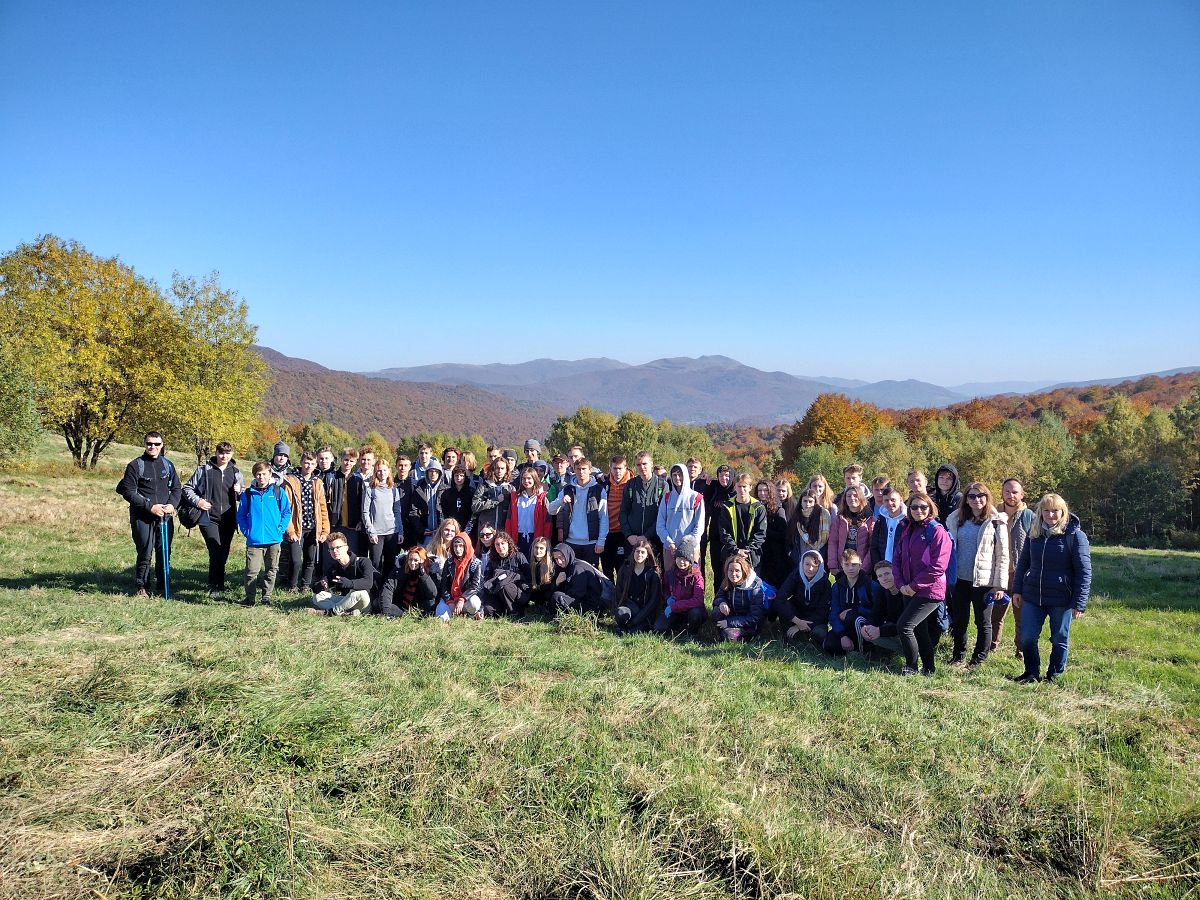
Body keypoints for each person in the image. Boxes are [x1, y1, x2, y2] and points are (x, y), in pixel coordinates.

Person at [1011, 494, 1092, 684]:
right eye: (1046, 510)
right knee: (1027, 637)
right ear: (1040, 512)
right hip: (1033, 596)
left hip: (1061, 599)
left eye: (1055, 510)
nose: (1050, 514)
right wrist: (1017, 590)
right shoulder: (1035, 532)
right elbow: (1023, 563)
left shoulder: (1074, 535)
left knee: (1059, 638)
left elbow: (1084, 571)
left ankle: (1054, 675)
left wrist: (1079, 602)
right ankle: (1031, 672)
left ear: (1063, 511)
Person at [945, 482, 1010, 668]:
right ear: (966, 499)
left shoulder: (996, 522)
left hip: (984, 581)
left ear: (987, 497)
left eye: (980, 495)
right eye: (972, 496)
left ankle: (978, 658)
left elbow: (1002, 555)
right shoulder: (956, 519)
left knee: (983, 622)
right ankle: (958, 656)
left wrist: (999, 585)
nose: (976, 500)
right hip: (959, 580)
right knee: (959, 621)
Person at [892, 492, 952, 676]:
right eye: (914, 507)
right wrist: (901, 584)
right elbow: (897, 558)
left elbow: (938, 566)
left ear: (930, 508)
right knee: (919, 629)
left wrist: (913, 586)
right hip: (908, 588)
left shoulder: (937, 531)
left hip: (930, 591)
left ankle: (911, 666)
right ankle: (929, 668)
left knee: (905, 626)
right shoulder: (906, 528)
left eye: (923, 507)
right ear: (909, 509)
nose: (919, 510)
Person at [117, 431, 182, 597]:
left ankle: (162, 587)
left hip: (164, 517)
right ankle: (142, 587)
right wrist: (150, 507)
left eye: (157, 444)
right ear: (144, 444)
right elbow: (128, 492)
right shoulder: (135, 465)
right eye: (149, 444)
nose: (153, 447)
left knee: (163, 553)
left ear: (162, 445)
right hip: (142, 516)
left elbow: (176, 489)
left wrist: (172, 505)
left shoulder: (168, 465)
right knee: (145, 552)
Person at [181, 440, 244, 597]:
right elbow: (187, 488)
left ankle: (216, 583)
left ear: (232, 454)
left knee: (224, 552)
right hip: (208, 518)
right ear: (216, 453)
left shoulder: (236, 472)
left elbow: (243, 495)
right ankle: (216, 586)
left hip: (229, 519)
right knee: (215, 549)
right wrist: (199, 501)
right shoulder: (204, 470)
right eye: (221, 452)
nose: (224, 456)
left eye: (227, 453)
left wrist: (240, 490)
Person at [237, 460, 291, 607]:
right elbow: (241, 515)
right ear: (255, 476)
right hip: (254, 541)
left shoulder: (278, 492)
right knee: (251, 571)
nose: (261, 477)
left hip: (274, 539)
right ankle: (250, 598)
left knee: (271, 570)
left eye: (264, 474)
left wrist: (280, 529)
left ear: (270, 474)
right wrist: (247, 531)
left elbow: (287, 512)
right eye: (258, 474)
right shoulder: (248, 494)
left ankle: (266, 597)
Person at [994, 477, 1036, 657]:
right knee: (995, 615)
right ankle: (992, 646)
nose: (1011, 495)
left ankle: (1020, 650)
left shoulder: (1030, 516)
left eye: (1015, 492)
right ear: (1002, 492)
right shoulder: (994, 513)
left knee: (1022, 617)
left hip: (1021, 575)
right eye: (1007, 491)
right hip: (998, 574)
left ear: (1022, 494)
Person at [283, 451, 331, 593]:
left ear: (315, 464)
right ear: (301, 463)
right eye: (306, 462)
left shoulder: (317, 482)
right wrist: (290, 530)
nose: (308, 466)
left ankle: (305, 585)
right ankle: (292, 585)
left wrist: (324, 530)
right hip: (297, 527)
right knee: (296, 560)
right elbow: (286, 508)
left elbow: (323, 508)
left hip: (313, 528)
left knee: (310, 559)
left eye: (311, 463)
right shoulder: (290, 481)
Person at [548, 457, 608, 567]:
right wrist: (561, 502)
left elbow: (603, 517)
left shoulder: (599, 490)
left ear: (590, 470)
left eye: (584, 469)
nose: (581, 472)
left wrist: (601, 541)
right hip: (570, 542)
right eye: (578, 469)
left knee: (590, 576)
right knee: (571, 576)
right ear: (574, 470)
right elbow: (551, 510)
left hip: (591, 543)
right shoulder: (567, 489)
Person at [774, 549, 832, 648]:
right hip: (797, 615)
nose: (810, 569)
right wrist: (797, 621)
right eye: (807, 564)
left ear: (820, 566)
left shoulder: (825, 582)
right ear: (802, 563)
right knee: (785, 605)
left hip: (814, 619)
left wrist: (800, 626)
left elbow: (823, 611)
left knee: (820, 634)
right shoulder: (796, 575)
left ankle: (807, 639)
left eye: (815, 566)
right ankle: (793, 638)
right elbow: (780, 599)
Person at [361, 458, 404, 586]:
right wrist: (371, 531)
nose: (382, 473)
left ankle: (387, 589)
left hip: (392, 531)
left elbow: (397, 511)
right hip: (376, 533)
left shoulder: (393, 489)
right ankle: (374, 588)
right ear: (375, 472)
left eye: (384, 470)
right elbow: (365, 513)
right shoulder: (370, 489)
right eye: (379, 470)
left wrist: (400, 531)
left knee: (390, 562)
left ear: (389, 471)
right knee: (375, 562)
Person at [309, 532, 374, 616]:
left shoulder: (363, 561)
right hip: (346, 601)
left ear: (346, 548)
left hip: (364, 601)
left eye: (338, 547)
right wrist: (321, 585)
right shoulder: (334, 568)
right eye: (331, 549)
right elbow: (316, 589)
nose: (335, 551)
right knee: (318, 597)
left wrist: (349, 583)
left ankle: (329, 612)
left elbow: (368, 583)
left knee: (358, 593)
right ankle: (345, 613)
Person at [855, 561, 910, 659]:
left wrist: (880, 631)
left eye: (887, 574)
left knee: (885, 631)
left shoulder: (906, 592)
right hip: (893, 629)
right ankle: (889, 652)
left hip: (910, 632)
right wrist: (867, 626)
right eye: (880, 576)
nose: (884, 578)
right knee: (869, 631)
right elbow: (876, 614)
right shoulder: (883, 590)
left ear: (896, 573)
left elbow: (906, 624)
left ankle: (912, 653)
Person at [657, 464, 706, 574]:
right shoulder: (667, 497)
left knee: (692, 581)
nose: (677, 478)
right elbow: (660, 524)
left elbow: (699, 526)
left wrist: (687, 543)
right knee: (670, 583)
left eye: (680, 475)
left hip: (690, 549)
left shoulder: (696, 497)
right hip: (670, 549)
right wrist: (669, 542)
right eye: (674, 475)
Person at [655, 536, 706, 636]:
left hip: (690, 609)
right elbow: (665, 588)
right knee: (659, 628)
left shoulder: (697, 576)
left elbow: (698, 600)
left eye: (685, 559)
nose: (681, 562)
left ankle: (692, 633)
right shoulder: (670, 573)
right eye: (679, 558)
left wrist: (675, 606)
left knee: (695, 614)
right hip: (675, 609)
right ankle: (678, 625)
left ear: (690, 560)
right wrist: (668, 598)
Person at [620, 451, 666, 561]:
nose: (642, 467)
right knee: (632, 573)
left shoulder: (662, 486)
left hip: (654, 540)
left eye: (645, 464)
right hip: (633, 540)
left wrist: (647, 536)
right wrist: (628, 535)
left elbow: (663, 516)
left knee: (654, 574)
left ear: (651, 464)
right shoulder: (630, 485)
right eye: (638, 464)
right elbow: (623, 512)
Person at [612, 540, 663, 634]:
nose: (639, 554)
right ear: (633, 552)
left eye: (643, 552)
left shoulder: (652, 573)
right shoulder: (625, 569)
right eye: (637, 551)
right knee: (620, 613)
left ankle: (628, 629)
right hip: (629, 607)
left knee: (635, 631)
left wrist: (637, 619)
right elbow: (618, 591)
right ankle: (625, 627)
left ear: (647, 555)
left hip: (645, 612)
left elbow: (654, 600)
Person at [829, 549, 873, 654]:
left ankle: (861, 652)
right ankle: (849, 646)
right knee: (829, 646)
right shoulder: (837, 586)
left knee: (852, 617)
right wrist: (842, 635)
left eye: (854, 564)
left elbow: (876, 610)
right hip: (844, 627)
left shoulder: (870, 585)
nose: (850, 568)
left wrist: (853, 610)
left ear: (860, 565)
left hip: (865, 625)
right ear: (842, 566)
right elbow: (834, 613)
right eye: (847, 564)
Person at [376, 545, 438, 619]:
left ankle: (416, 614)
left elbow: (433, 594)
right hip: (401, 605)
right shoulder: (399, 570)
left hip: (420, 605)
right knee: (377, 602)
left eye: (416, 560)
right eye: (410, 559)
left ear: (423, 560)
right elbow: (387, 588)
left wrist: (423, 575)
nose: (412, 563)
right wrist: (386, 613)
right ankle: (394, 614)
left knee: (432, 603)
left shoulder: (432, 571)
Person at [713, 556, 765, 642]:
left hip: (749, 625)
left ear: (744, 571)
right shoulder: (727, 582)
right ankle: (720, 633)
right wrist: (722, 602)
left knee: (728, 635)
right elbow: (719, 597)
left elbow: (755, 617)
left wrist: (729, 622)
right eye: (730, 570)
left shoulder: (755, 590)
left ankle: (743, 636)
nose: (733, 574)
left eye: (737, 571)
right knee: (716, 611)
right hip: (733, 617)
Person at [828, 484, 875, 577]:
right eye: (848, 496)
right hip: (843, 566)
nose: (852, 498)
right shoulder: (839, 519)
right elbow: (833, 542)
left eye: (855, 495)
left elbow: (872, 547)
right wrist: (833, 565)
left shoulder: (870, 519)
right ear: (845, 499)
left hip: (861, 567)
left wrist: (864, 568)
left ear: (861, 497)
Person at [480, 531, 531, 616]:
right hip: (498, 593)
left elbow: (528, 577)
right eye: (497, 544)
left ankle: (515, 611)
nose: (500, 547)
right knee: (488, 610)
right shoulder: (493, 561)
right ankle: (504, 609)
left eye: (503, 543)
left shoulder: (519, 556)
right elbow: (487, 581)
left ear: (508, 543)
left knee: (505, 584)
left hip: (517, 593)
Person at [435, 534, 483, 621]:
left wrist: (462, 599)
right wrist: (449, 601)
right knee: (442, 618)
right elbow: (444, 585)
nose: (458, 549)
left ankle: (470, 615)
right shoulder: (449, 562)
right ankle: (458, 614)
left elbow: (475, 586)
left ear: (466, 546)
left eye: (461, 546)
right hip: (451, 598)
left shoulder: (475, 563)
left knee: (474, 604)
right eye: (455, 546)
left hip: (466, 599)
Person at [600, 455, 634, 580]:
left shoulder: (632, 484)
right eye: (614, 468)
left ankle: (622, 597)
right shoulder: (604, 483)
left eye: (620, 468)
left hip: (623, 533)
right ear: (610, 468)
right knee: (606, 569)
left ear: (626, 468)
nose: (617, 471)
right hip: (606, 532)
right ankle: (609, 597)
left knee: (622, 569)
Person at [508, 467, 553, 559]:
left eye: (529, 478)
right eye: (524, 478)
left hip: (535, 537)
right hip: (518, 537)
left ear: (534, 479)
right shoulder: (516, 498)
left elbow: (547, 522)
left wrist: (545, 541)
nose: (526, 481)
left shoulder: (542, 498)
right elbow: (509, 520)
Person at [549, 543, 606, 615]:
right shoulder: (566, 568)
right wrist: (557, 583)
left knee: (557, 597)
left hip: (592, 607)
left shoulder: (578, 568)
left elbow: (577, 593)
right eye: (556, 559)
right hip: (583, 602)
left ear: (567, 554)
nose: (559, 562)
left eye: (561, 557)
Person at [327, 448, 363, 554]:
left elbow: (361, 503)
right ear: (341, 459)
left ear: (355, 462)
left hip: (352, 525)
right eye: (346, 460)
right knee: (333, 557)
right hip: (334, 524)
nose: (348, 463)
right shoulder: (331, 477)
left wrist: (360, 521)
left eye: (351, 461)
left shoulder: (357, 480)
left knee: (350, 556)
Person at [471, 456, 513, 537]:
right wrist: (495, 500)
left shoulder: (510, 488)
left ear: (506, 470)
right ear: (493, 469)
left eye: (502, 468)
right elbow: (474, 506)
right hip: (486, 531)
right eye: (497, 468)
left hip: (503, 532)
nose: (499, 471)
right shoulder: (484, 486)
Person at [869, 486, 907, 571]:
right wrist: (878, 567)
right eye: (886, 500)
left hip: (902, 569)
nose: (890, 503)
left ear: (901, 499)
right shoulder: (880, 520)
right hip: (883, 571)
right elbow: (874, 547)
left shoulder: (908, 521)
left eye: (893, 500)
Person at [706, 465, 735, 580]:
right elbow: (705, 497)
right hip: (715, 537)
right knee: (717, 571)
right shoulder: (714, 489)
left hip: (731, 539)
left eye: (727, 475)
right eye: (721, 475)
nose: (724, 478)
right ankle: (718, 597)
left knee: (730, 571)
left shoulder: (736, 493)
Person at [788, 489, 830, 566]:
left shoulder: (823, 515)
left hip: (819, 556)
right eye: (805, 501)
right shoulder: (796, 517)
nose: (807, 504)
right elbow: (790, 538)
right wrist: (791, 554)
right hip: (799, 558)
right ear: (801, 502)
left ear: (815, 502)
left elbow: (826, 539)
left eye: (810, 501)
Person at [410, 463, 446, 546]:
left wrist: (442, 528)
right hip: (424, 535)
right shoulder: (419, 489)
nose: (433, 474)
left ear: (440, 474)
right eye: (431, 471)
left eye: (436, 472)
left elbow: (448, 512)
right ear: (427, 473)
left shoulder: (446, 490)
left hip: (441, 534)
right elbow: (413, 511)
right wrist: (421, 529)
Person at [527, 536, 558, 616]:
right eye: (536, 547)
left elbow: (551, 585)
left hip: (547, 592)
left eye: (541, 548)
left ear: (546, 550)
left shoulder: (552, 564)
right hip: (535, 593)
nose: (538, 551)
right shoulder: (528, 563)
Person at [440, 465, 475, 533]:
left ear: (465, 477)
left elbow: (474, 512)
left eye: (461, 476)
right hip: (451, 527)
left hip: (468, 527)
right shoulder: (447, 493)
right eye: (456, 475)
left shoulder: (471, 492)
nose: (459, 478)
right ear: (453, 477)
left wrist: (469, 527)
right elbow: (444, 512)